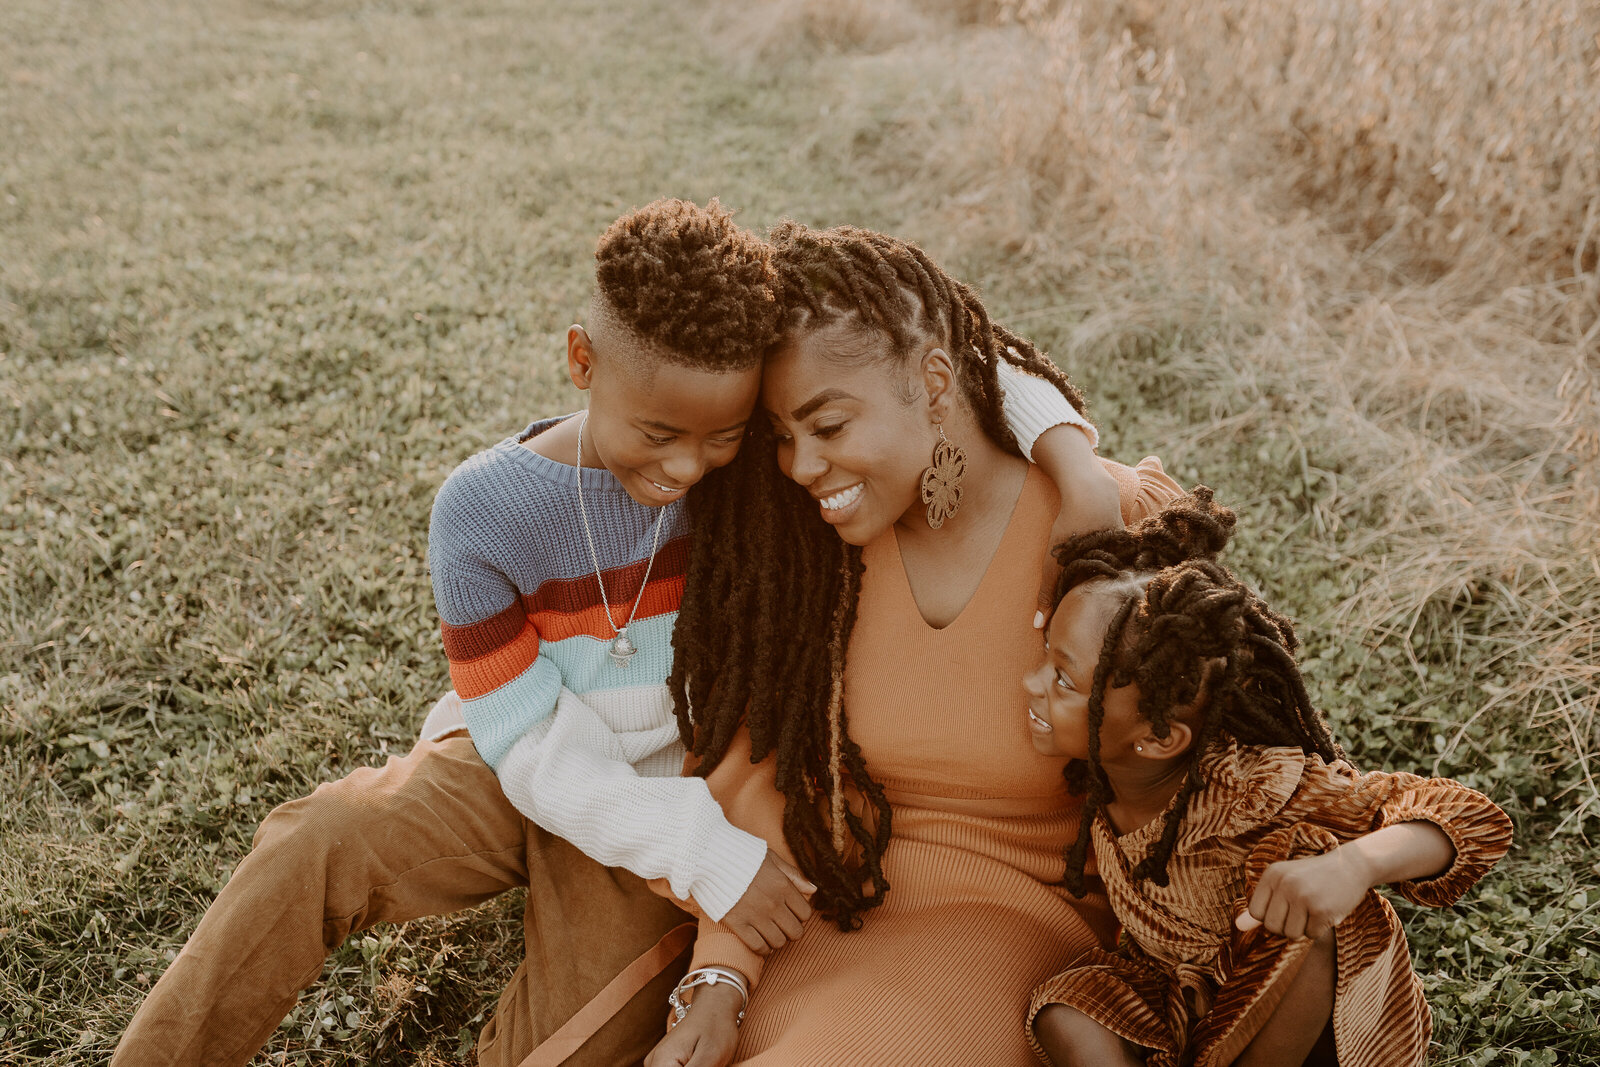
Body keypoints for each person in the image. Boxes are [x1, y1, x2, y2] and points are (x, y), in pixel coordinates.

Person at [113, 200, 1105, 1067]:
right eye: (660, 434)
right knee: (317, 838)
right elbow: (522, 732)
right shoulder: (483, 510)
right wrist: (712, 860)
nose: (687, 466)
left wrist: (1074, 458)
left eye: (723, 434)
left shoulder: (761, 472)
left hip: (673, 802)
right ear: (582, 361)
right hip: (520, 757)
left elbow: (948, 354)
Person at [644, 221, 1185, 1067]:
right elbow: (768, 781)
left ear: (935, 380)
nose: (798, 464)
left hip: (1008, 934)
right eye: (784, 435)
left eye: (827, 425)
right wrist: (719, 978)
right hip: (826, 918)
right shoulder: (809, 560)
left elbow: (1227, 766)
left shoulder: (1106, 525)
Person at [1021, 490, 1514, 1067]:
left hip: (1299, 1014)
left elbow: (1469, 816)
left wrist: (1352, 867)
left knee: (1306, 904)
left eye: (1062, 680)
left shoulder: (1253, 785)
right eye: (1045, 658)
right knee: (1066, 1011)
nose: (1030, 684)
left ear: (1159, 739)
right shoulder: (1102, 774)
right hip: (1182, 999)